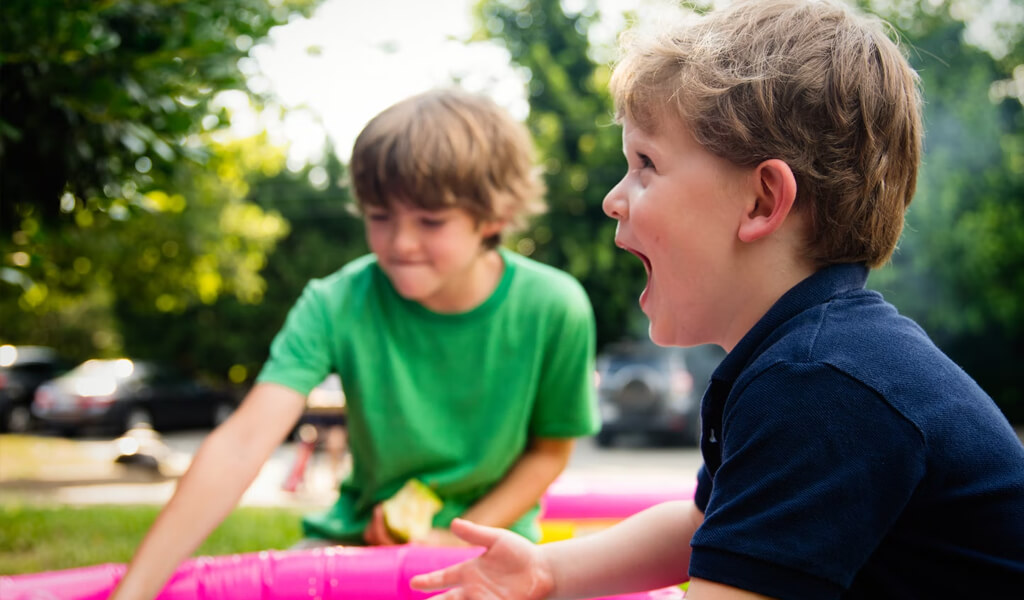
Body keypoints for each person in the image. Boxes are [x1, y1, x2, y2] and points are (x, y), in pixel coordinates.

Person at [411, 1, 1024, 598]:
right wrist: (547, 573)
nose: (612, 199)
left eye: (645, 163)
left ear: (761, 202)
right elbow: (704, 525)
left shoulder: (821, 384)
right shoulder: (806, 358)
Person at [108, 88, 600, 599]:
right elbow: (242, 442)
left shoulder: (555, 307)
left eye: (430, 221)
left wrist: (452, 539)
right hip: (354, 546)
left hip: (494, 553)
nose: (400, 242)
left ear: (493, 217)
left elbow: (549, 451)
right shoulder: (335, 302)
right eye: (380, 216)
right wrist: (136, 592)